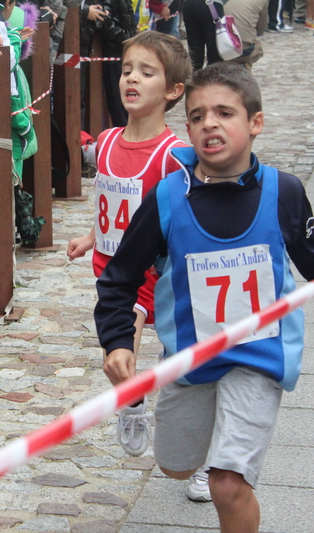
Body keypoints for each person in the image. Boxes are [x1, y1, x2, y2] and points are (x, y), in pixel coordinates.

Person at [95, 61, 314, 533]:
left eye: (224, 113)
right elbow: (119, 278)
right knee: (175, 464)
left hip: (259, 356)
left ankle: (234, 461)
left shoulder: (286, 194)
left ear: (255, 123)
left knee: (226, 483)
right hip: (190, 359)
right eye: (197, 116)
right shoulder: (167, 198)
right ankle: (212, 442)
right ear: (188, 128)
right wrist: (116, 342)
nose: (209, 123)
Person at [67, 31, 191, 458]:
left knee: (119, 356)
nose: (131, 79)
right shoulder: (106, 143)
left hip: (147, 275)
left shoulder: (174, 155)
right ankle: (134, 401)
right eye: (126, 70)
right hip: (108, 267)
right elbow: (110, 201)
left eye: (146, 72)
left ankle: (141, 406)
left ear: (173, 90)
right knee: (116, 357)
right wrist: (90, 237)